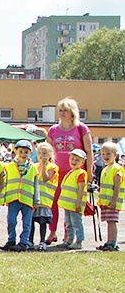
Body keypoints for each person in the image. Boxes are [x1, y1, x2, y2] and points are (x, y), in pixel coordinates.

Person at [46, 97, 93, 244]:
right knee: (52, 202)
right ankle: (52, 231)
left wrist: (89, 171)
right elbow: (47, 152)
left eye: (65, 110)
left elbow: (89, 151)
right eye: (60, 110)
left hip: (74, 174)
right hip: (56, 172)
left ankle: (69, 234)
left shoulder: (81, 128)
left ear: (72, 112)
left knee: (70, 204)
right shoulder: (53, 130)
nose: (62, 113)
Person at [1, 140, 40, 252]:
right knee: (11, 220)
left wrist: (36, 200)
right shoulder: (9, 166)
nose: (23, 154)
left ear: (30, 153)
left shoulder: (33, 168)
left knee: (27, 222)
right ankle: (11, 240)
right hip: (13, 198)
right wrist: (3, 197)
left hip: (27, 199)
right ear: (15, 151)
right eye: (21, 151)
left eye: (26, 152)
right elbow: (5, 182)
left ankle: (24, 242)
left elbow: (36, 184)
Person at [57, 148, 89, 250]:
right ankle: (69, 240)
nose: (74, 161)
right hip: (68, 205)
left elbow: (81, 189)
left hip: (75, 204)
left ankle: (79, 241)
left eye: (77, 160)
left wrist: (79, 203)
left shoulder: (81, 173)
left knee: (76, 223)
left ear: (82, 162)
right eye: (72, 158)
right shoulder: (70, 172)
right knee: (68, 223)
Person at [30, 142, 58, 251]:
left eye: (45, 153)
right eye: (40, 153)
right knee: (31, 221)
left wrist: (43, 166)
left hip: (45, 200)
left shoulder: (53, 167)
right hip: (34, 199)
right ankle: (30, 241)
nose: (42, 156)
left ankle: (42, 241)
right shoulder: (34, 166)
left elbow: (46, 178)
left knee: (42, 222)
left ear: (50, 154)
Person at [96, 141, 123, 251]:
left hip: (112, 202)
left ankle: (113, 242)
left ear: (115, 155)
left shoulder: (117, 169)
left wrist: (114, 200)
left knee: (112, 221)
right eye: (103, 154)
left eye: (108, 154)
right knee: (108, 221)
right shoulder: (105, 169)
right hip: (105, 202)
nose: (105, 156)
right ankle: (109, 241)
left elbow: (117, 186)